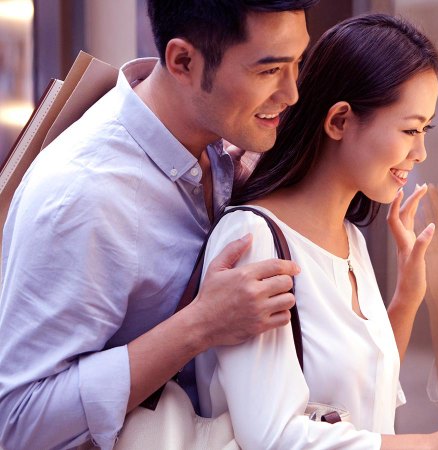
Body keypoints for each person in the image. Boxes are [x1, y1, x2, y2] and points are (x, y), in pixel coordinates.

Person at [195, 13, 438, 449]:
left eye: (425, 130)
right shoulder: (254, 240)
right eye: (410, 129)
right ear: (339, 121)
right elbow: (274, 437)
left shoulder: (349, 238)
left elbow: (364, 394)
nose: (421, 152)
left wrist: (409, 298)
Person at [0, 1, 318, 448]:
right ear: (183, 61)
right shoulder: (83, 193)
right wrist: (200, 326)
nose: (292, 93)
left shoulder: (220, 143)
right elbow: (16, 422)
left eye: (296, 63)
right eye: (268, 71)